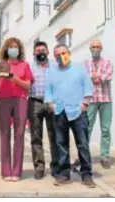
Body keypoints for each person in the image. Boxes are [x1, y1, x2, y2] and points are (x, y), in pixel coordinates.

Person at [44, 44, 96, 188]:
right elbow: (47, 90)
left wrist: (85, 104)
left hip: (78, 112)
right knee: (61, 144)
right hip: (59, 111)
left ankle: (87, 174)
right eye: (57, 55)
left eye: (63, 53)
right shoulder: (51, 71)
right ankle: (64, 174)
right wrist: (50, 104)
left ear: (69, 53)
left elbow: (88, 87)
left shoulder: (79, 68)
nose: (61, 56)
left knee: (83, 144)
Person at [0, 37, 33, 182]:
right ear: (6, 50)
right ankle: (6, 170)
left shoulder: (24, 65)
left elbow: (28, 86)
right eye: (10, 46)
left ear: (19, 49)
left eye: (16, 46)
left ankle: (17, 171)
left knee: (20, 133)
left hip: (20, 99)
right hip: (3, 100)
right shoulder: (0, 65)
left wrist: (14, 79)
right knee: (4, 133)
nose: (13, 49)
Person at [28, 41, 58, 179]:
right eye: (38, 50)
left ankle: (56, 166)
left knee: (55, 135)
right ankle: (39, 167)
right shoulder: (30, 66)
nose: (41, 52)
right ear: (34, 53)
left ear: (48, 52)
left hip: (52, 102)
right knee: (36, 136)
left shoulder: (55, 65)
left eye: (43, 50)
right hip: (35, 102)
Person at [84, 39, 114, 169]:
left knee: (106, 129)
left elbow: (108, 75)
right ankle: (83, 155)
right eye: (93, 47)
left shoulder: (107, 62)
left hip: (105, 99)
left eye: (98, 47)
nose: (95, 49)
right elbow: (85, 77)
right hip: (90, 100)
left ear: (101, 49)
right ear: (90, 49)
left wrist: (98, 77)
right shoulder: (85, 63)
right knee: (87, 127)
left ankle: (105, 155)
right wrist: (95, 76)